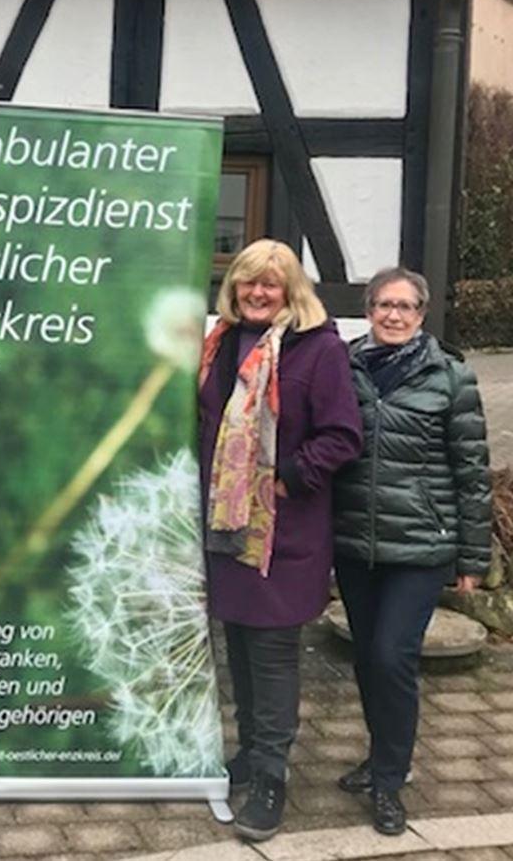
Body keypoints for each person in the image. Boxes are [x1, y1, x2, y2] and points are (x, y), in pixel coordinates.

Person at [198, 238, 362, 842]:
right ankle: (247, 753)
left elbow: (343, 435)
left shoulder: (318, 351)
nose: (257, 293)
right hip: (225, 522)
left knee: (271, 653)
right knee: (237, 644)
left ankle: (271, 776)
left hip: (279, 532)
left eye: (270, 284)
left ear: (291, 290)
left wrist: (288, 478)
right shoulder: (221, 342)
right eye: (248, 283)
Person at [333, 267, 491, 836]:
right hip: (355, 543)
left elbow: (472, 474)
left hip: (421, 547)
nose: (394, 316)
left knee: (391, 657)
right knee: (369, 660)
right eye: (384, 306)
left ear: (421, 315)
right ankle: (378, 758)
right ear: (369, 311)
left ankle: (390, 780)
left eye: (405, 307)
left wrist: (473, 557)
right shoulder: (343, 368)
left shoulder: (450, 378)